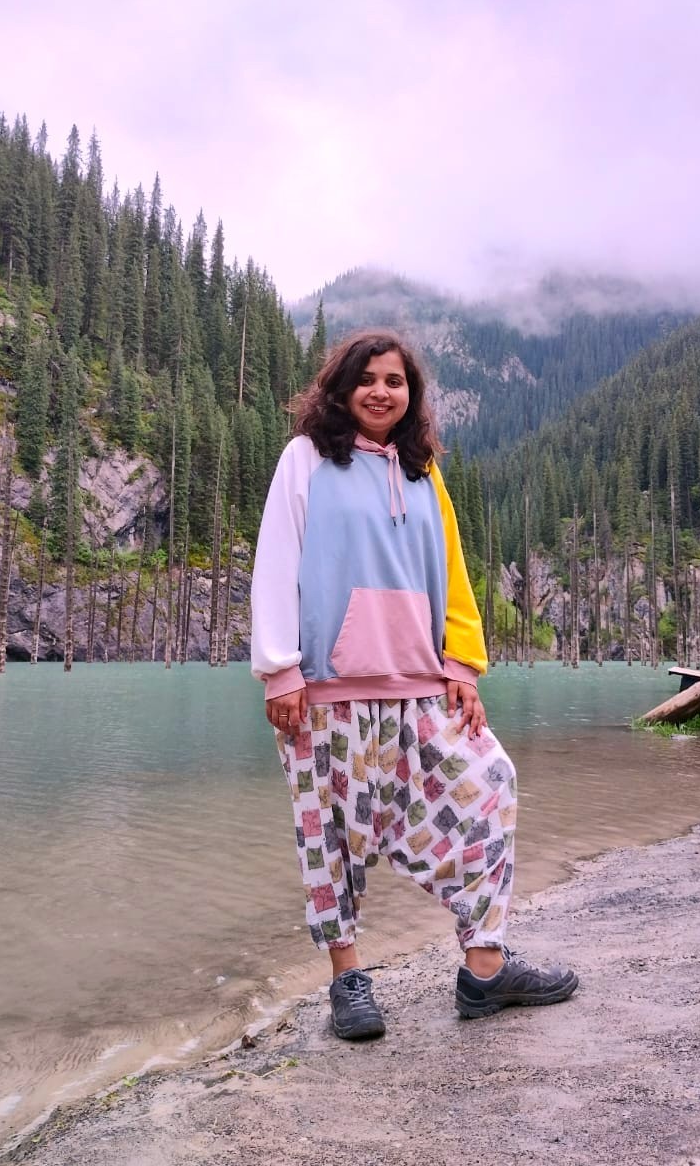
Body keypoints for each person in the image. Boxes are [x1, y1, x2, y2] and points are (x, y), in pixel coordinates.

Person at [251, 329, 577, 1040]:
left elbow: (452, 574)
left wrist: (461, 666)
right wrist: (280, 669)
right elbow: (276, 561)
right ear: (339, 389)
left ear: (411, 394)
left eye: (394, 380)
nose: (379, 391)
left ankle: (484, 970)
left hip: (421, 687)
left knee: (490, 787)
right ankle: (348, 981)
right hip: (326, 688)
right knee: (329, 836)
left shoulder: (420, 469)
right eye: (365, 379)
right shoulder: (305, 460)